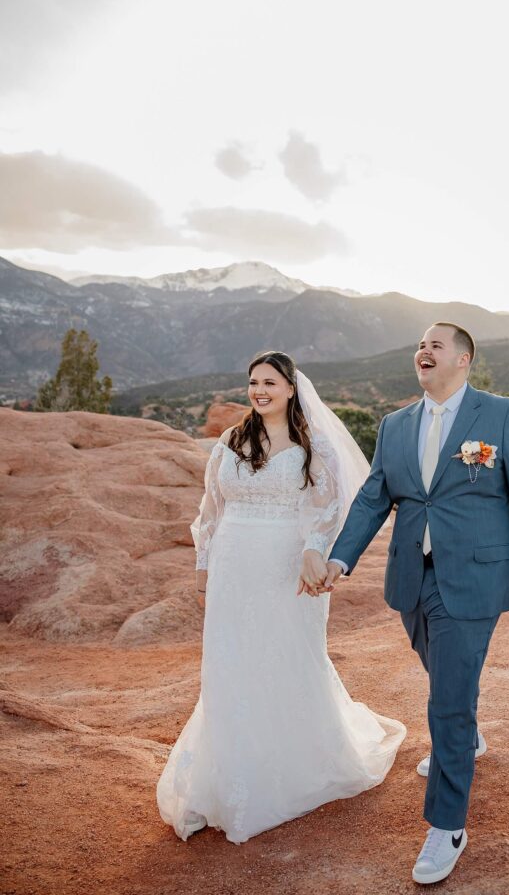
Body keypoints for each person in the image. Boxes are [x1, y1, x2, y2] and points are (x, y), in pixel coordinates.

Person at [313, 322, 509, 885]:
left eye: (435, 345)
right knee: (441, 670)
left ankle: (447, 823)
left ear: (464, 360)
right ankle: (467, 735)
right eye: (419, 345)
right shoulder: (395, 425)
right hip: (412, 576)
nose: (423, 351)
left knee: (448, 699)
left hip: (476, 576)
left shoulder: (502, 415)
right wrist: (339, 559)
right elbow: (375, 496)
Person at [156, 350, 406, 844]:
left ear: (291, 388)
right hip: (233, 565)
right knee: (230, 666)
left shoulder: (315, 446)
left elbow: (329, 509)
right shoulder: (231, 440)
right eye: (253, 382)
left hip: (290, 569)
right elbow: (211, 510)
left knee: (287, 659)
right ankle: (219, 783)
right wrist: (204, 571)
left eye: (270, 381)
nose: (260, 390)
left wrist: (316, 552)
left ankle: (290, 770)